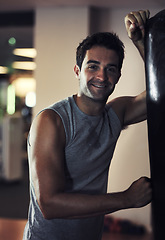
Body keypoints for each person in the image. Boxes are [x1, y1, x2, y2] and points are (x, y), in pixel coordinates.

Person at [23, 10, 152, 240]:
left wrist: (142, 43)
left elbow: (160, 92)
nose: (102, 76)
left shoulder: (116, 114)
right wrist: (127, 199)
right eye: (93, 66)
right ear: (77, 71)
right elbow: (50, 204)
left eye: (110, 69)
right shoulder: (52, 121)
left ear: (118, 76)